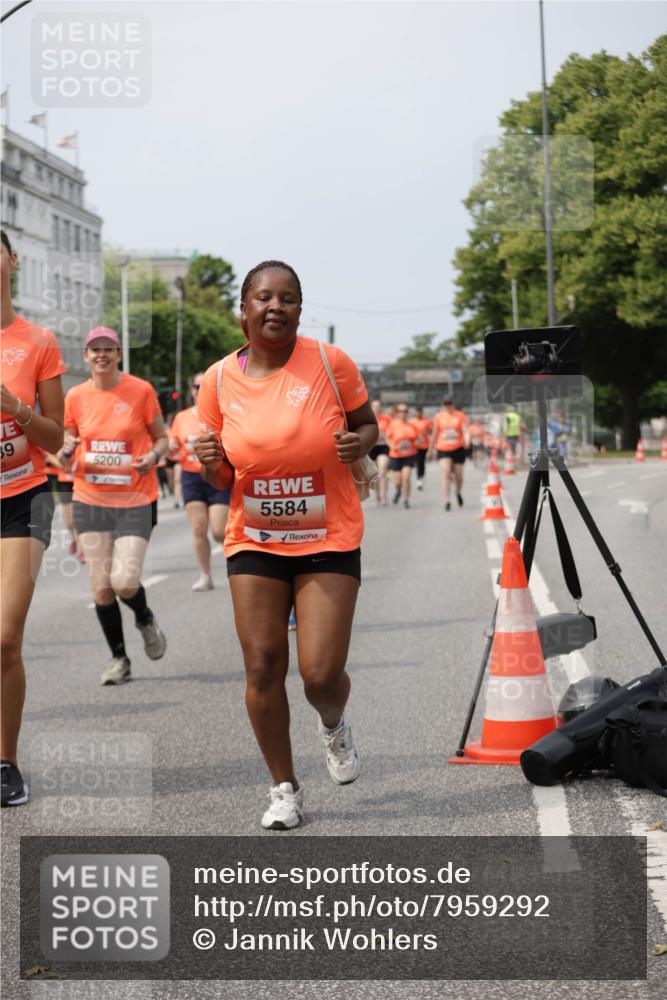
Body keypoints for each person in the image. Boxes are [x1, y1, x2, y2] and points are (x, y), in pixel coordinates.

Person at [195, 260, 377, 830]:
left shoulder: (329, 361)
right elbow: (223, 480)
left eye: (289, 298)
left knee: (319, 675)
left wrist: (357, 444)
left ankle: (334, 723)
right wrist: (211, 464)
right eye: (265, 298)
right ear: (243, 309)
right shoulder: (218, 380)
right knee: (262, 666)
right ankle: (285, 788)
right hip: (255, 538)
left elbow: (369, 424)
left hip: (328, 535)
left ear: (300, 308)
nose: (277, 307)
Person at [60, 327, 168, 685]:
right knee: (102, 587)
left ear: (119, 354)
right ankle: (119, 659)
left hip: (136, 498)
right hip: (90, 498)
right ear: (86, 357)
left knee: (124, 582)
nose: (102, 355)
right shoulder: (75, 396)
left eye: (109, 349)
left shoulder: (140, 390)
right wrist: (65, 450)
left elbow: (162, 438)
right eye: (95, 349)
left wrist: (152, 456)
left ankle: (145, 617)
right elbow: (65, 447)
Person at [1, 229, 66, 806]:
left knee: (3, 637)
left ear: (12, 260)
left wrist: (12, 405)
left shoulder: (38, 341)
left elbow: (54, 435)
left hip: (22, 497)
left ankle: (6, 763)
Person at [169, 373, 229, 591]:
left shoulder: (223, 414)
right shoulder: (182, 417)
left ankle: (240, 566)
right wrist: (169, 447)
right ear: (191, 390)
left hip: (216, 474)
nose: (200, 390)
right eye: (197, 386)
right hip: (191, 476)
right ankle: (206, 575)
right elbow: (173, 446)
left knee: (219, 530)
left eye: (205, 386)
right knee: (198, 528)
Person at [429, 396, 469, 511]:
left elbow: (465, 430)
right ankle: (447, 500)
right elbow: (434, 433)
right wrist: (430, 450)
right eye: (446, 404)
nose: (448, 406)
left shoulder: (460, 415)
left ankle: (458, 492)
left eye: (450, 404)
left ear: (453, 404)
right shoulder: (439, 416)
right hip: (443, 448)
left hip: (458, 448)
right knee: (445, 473)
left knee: (458, 475)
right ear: (443, 405)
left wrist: (467, 439)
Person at [387, 404, 418, 508]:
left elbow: (416, 439)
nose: (403, 413)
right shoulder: (393, 425)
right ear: (396, 413)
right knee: (398, 481)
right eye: (400, 411)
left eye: (405, 411)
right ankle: (398, 490)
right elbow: (387, 438)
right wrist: (393, 446)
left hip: (409, 455)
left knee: (406, 477)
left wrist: (417, 442)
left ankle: (406, 499)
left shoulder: (411, 425)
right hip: (396, 455)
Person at [368, 399, 391, 506]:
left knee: (382, 471)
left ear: (381, 407)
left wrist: (386, 437)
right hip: (371, 448)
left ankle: (383, 496)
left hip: (383, 447)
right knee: (375, 474)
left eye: (378, 406)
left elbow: (392, 431)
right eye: (374, 406)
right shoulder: (368, 419)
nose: (376, 408)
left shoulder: (387, 419)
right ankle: (377, 494)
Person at [410, 405, 432, 491]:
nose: (418, 413)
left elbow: (430, 432)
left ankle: (421, 478)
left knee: (421, 463)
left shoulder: (426, 421)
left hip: (424, 445)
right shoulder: (412, 422)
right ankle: (419, 477)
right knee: (417, 462)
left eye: (420, 412)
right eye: (417, 412)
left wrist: (426, 433)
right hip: (415, 446)